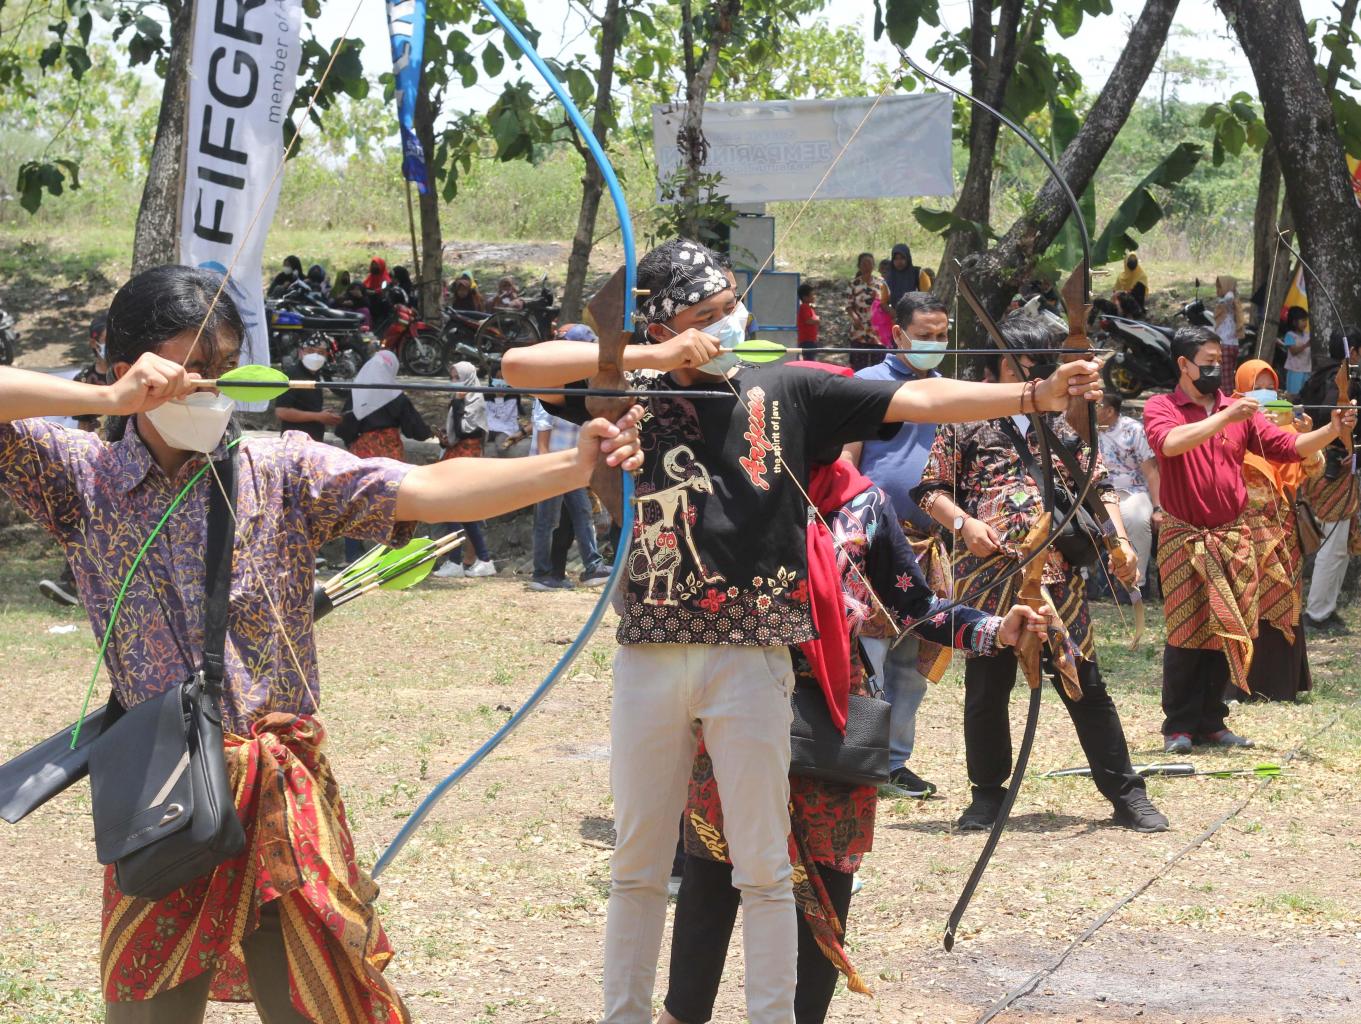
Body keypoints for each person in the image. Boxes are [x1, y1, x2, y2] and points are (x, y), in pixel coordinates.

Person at [0, 264, 643, 1024]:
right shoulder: (82, 476)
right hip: (163, 792)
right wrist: (105, 404)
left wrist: (573, 464)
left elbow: (424, 489)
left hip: (280, 790)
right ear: (127, 370)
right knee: (148, 1011)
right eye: (190, 368)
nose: (209, 386)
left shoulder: (280, 468)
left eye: (222, 366)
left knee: (319, 1001)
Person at [502, 237, 1105, 1024]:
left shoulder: (785, 384)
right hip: (651, 648)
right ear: (664, 325)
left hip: (756, 657)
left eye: (730, 308)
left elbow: (918, 400)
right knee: (640, 863)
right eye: (706, 316)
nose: (728, 324)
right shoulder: (627, 390)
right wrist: (651, 354)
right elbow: (519, 367)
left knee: (762, 868)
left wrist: (1034, 394)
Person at [659, 407, 1051, 1024]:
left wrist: (996, 629)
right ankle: (682, 1015)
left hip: (834, 706)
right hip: (737, 696)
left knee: (827, 869)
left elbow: (915, 606)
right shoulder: (729, 490)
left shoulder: (865, 504)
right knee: (714, 865)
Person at [915, 307, 1166, 834]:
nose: (1031, 372)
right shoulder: (964, 418)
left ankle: (1127, 794)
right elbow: (930, 490)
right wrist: (964, 524)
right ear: (998, 366)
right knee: (987, 688)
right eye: (1020, 363)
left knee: (1085, 682)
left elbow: (1099, 486)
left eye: (1038, 363)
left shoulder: (1062, 423)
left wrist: (1120, 541)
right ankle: (987, 795)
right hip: (988, 575)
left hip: (1056, 576)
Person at [1143, 325, 1352, 753]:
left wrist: (1331, 429)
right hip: (1185, 537)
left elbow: (1289, 446)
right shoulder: (1163, 406)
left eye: (1220, 361)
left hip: (1233, 536)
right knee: (1185, 630)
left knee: (1228, 628)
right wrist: (1225, 417)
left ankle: (1212, 721)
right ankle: (1179, 726)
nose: (1216, 369)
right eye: (1207, 362)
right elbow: (1170, 444)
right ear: (1183, 364)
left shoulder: (1237, 411)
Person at [842, 291, 952, 799]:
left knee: (911, 660)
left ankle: (894, 761)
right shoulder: (867, 385)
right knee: (869, 656)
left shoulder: (948, 390)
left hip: (929, 542)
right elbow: (846, 461)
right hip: (872, 543)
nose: (936, 343)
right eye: (925, 335)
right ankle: (858, 762)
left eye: (942, 335)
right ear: (898, 335)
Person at [1232, 359, 1322, 702]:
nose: (1265, 394)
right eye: (1256, 387)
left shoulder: (1286, 426)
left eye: (1270, 387)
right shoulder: (1228, 421)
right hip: (1240, 528)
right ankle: (1238, 683)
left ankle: (1279, 685)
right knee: (1244, 600)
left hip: (1282, 528)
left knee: (1284, 598)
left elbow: (1314, 468)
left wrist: (1306, 436)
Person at [37, 312, 111, 608]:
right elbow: (83, 428)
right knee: (81, 518)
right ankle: (71, 582)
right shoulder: (84, 380)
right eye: (105, 340)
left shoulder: (128, 375)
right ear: (94, 343)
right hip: (96, 463)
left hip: (127, 460)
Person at [335, 350, 433, 561]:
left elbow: (344, 428)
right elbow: (415, 430)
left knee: (356, 502)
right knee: (392, 502)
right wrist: (430, 432)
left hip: (362, 454)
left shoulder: (357, 394)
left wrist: (355, 442)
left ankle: (353, 556)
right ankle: (391, 552)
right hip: (391, 455)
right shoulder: (396, 397)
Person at [1299, 329, 1361, 632]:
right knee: (1333, 544)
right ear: (1355, 352)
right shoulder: (1342, 382)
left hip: (1321, 466)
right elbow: (1335, 423)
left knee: (1338, 543)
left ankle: (1326, 607)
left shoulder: (1318, 376)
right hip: (1332, 470)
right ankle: (1316, 613)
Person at [528, 398, 612, 590]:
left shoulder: (578, 398)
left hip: (572, 466)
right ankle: (541, 574)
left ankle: (593, 567)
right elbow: (542, 435)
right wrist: (546, 471)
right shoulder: (547, 396)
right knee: (547, 522)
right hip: (550, 466)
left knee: (583, 514)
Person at [431, 361, 497, 578]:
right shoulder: (461, 398)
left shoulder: (475, 400)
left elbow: (463, 431)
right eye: (452, 377)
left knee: (458, 509)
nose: (454, 382)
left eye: (457, 377)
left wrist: (459, 403)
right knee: (460, 511)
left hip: (466, 458)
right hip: (456, 454)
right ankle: (478, 560)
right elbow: (454, 432)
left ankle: (460, 561)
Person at [1096, 395, 1161, 593]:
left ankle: (1135, 583)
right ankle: (1097, 584)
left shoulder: (1133, 430)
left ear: (1109, 411)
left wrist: (1158, 508)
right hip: (1097, 492)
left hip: (1133, 490)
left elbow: (1151, 471)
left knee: (1137, 520)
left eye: (1097, 405)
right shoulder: (1086, 428)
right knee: (1095, 523)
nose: (1092, 409)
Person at [274, 340, 343, 442]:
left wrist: (324, 415)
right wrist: (318, 416)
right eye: (310, 351)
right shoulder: (292, 375)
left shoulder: (315, 374)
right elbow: (281, 412)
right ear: (301, 353)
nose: (315, 356)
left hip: (313, 440)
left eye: (321, 352)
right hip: (295, 442)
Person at [845, 253, 883, 372]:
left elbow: (885, 304)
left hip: (877, 332)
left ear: (873, 266)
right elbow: (848, 306)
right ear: (859, 266)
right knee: (859, 367)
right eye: (864, 264)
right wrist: (855, 318)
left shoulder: (881, 284)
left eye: (869, 263)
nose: (867, 266)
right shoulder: (853, 284)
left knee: (878, 366)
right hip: (859, 331)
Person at [879, 242, 931, 310]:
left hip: (918, 314)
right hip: (897, 315)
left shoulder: (918, 274)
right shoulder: (889, 278)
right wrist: (894, 314)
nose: (899, 261)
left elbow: (927, 298)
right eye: (896, 259)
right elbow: (883, 302)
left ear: (908, 258)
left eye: (902, 258)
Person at [1214, 274, 1245, 386]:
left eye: (1220, 287)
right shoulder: (1227, 302)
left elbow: (1229, 297)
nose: (1217, 290)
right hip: (1229, 344)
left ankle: (1226, 396)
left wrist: (1231, 290)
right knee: (1226, 375)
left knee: (1224, 378)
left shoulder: (1230, 300)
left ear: (1227, 287)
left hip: (1226, 345)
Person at [1279, 305, 1311, 397]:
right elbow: (1293, 351)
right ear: (1294, 322)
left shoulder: (1307, 335)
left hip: (1307, 370)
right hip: (1294, 371)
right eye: (1302, 320)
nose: (1305, 323)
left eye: (1306, 320)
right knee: (1293, 395)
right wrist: (1306, 345)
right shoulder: (1290, 335)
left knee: (1305, 396)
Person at [1113, 252, 1148, 318]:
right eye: (1130, 260)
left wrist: (1121, 292)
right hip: (1123, 308)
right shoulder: (1121, 277)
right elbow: (1115, 293)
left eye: (1134, 260)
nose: (1132, 262)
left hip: (1137, 307)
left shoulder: (1141, 276)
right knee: (1120, 295)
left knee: (1123, 294)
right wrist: (1118, 307)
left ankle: (1135, 314)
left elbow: (1140, 296)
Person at [796, 282, 819, 358]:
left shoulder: (809, 308)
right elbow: (808, 321)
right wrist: (817, 321)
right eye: (812, 295)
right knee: (809, 360)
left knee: (811, 358)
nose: (814, 297)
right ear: (805, 297)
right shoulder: (804, 307)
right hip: (807, 341)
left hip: (811, 340)